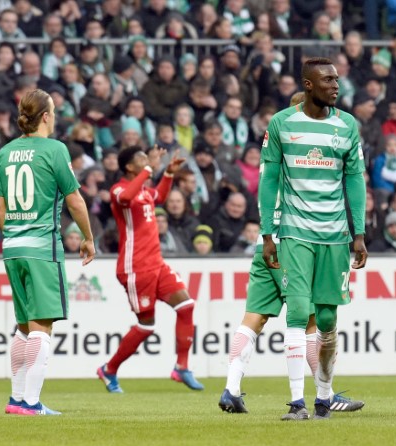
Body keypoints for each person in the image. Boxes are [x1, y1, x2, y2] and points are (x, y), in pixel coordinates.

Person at [219, 89, 365, 416]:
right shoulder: (294, 147)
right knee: (309, 318)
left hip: (265, 240)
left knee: (253, 318)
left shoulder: (277, 142)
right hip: (291, 238)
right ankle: (323, 394)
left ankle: (231, 388)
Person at [258, 57, 367, 420]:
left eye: (337, 79)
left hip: (335, 236)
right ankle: (296, 402)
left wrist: (359, 233)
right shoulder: (281, 124)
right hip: (295, 232)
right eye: (327, 80)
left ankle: (323, 394)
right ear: (308, 85)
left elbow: (354, 181)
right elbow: (269, 180)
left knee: (326, 318)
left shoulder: (347, 125)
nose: (336, 85)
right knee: (298, 312)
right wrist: (267, 234)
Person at [0, 89, 95, 415]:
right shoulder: (54, 149)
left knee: (23, 325)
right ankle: (32, 403)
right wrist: (88, 237)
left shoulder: (4, 153)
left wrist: (13, 235)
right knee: (42, 326)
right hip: (42, 246)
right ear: (46, 116)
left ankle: (16, 399)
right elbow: (75, 200)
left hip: (13, 246)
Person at [97, 146, 204, 393]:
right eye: (142, 159)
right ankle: (109, 369)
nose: (147, 161)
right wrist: (149, 170)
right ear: (129, 167)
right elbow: (125, 198)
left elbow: (160, 197)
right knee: (146, 325)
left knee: (186, 306)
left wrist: (167, 174)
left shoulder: (143, 190)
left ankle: (182, 367)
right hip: (135, 267)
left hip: (156, 263)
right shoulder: (119, 190)